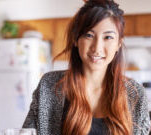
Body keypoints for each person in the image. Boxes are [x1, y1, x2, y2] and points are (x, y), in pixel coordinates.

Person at [23, 0, 151, 134]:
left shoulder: (135, 93)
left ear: (119, 43)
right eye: (89, 35)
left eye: (107, 37)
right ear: (76, 40)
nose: (97, 48)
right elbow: (27, 132)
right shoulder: (49, 85)